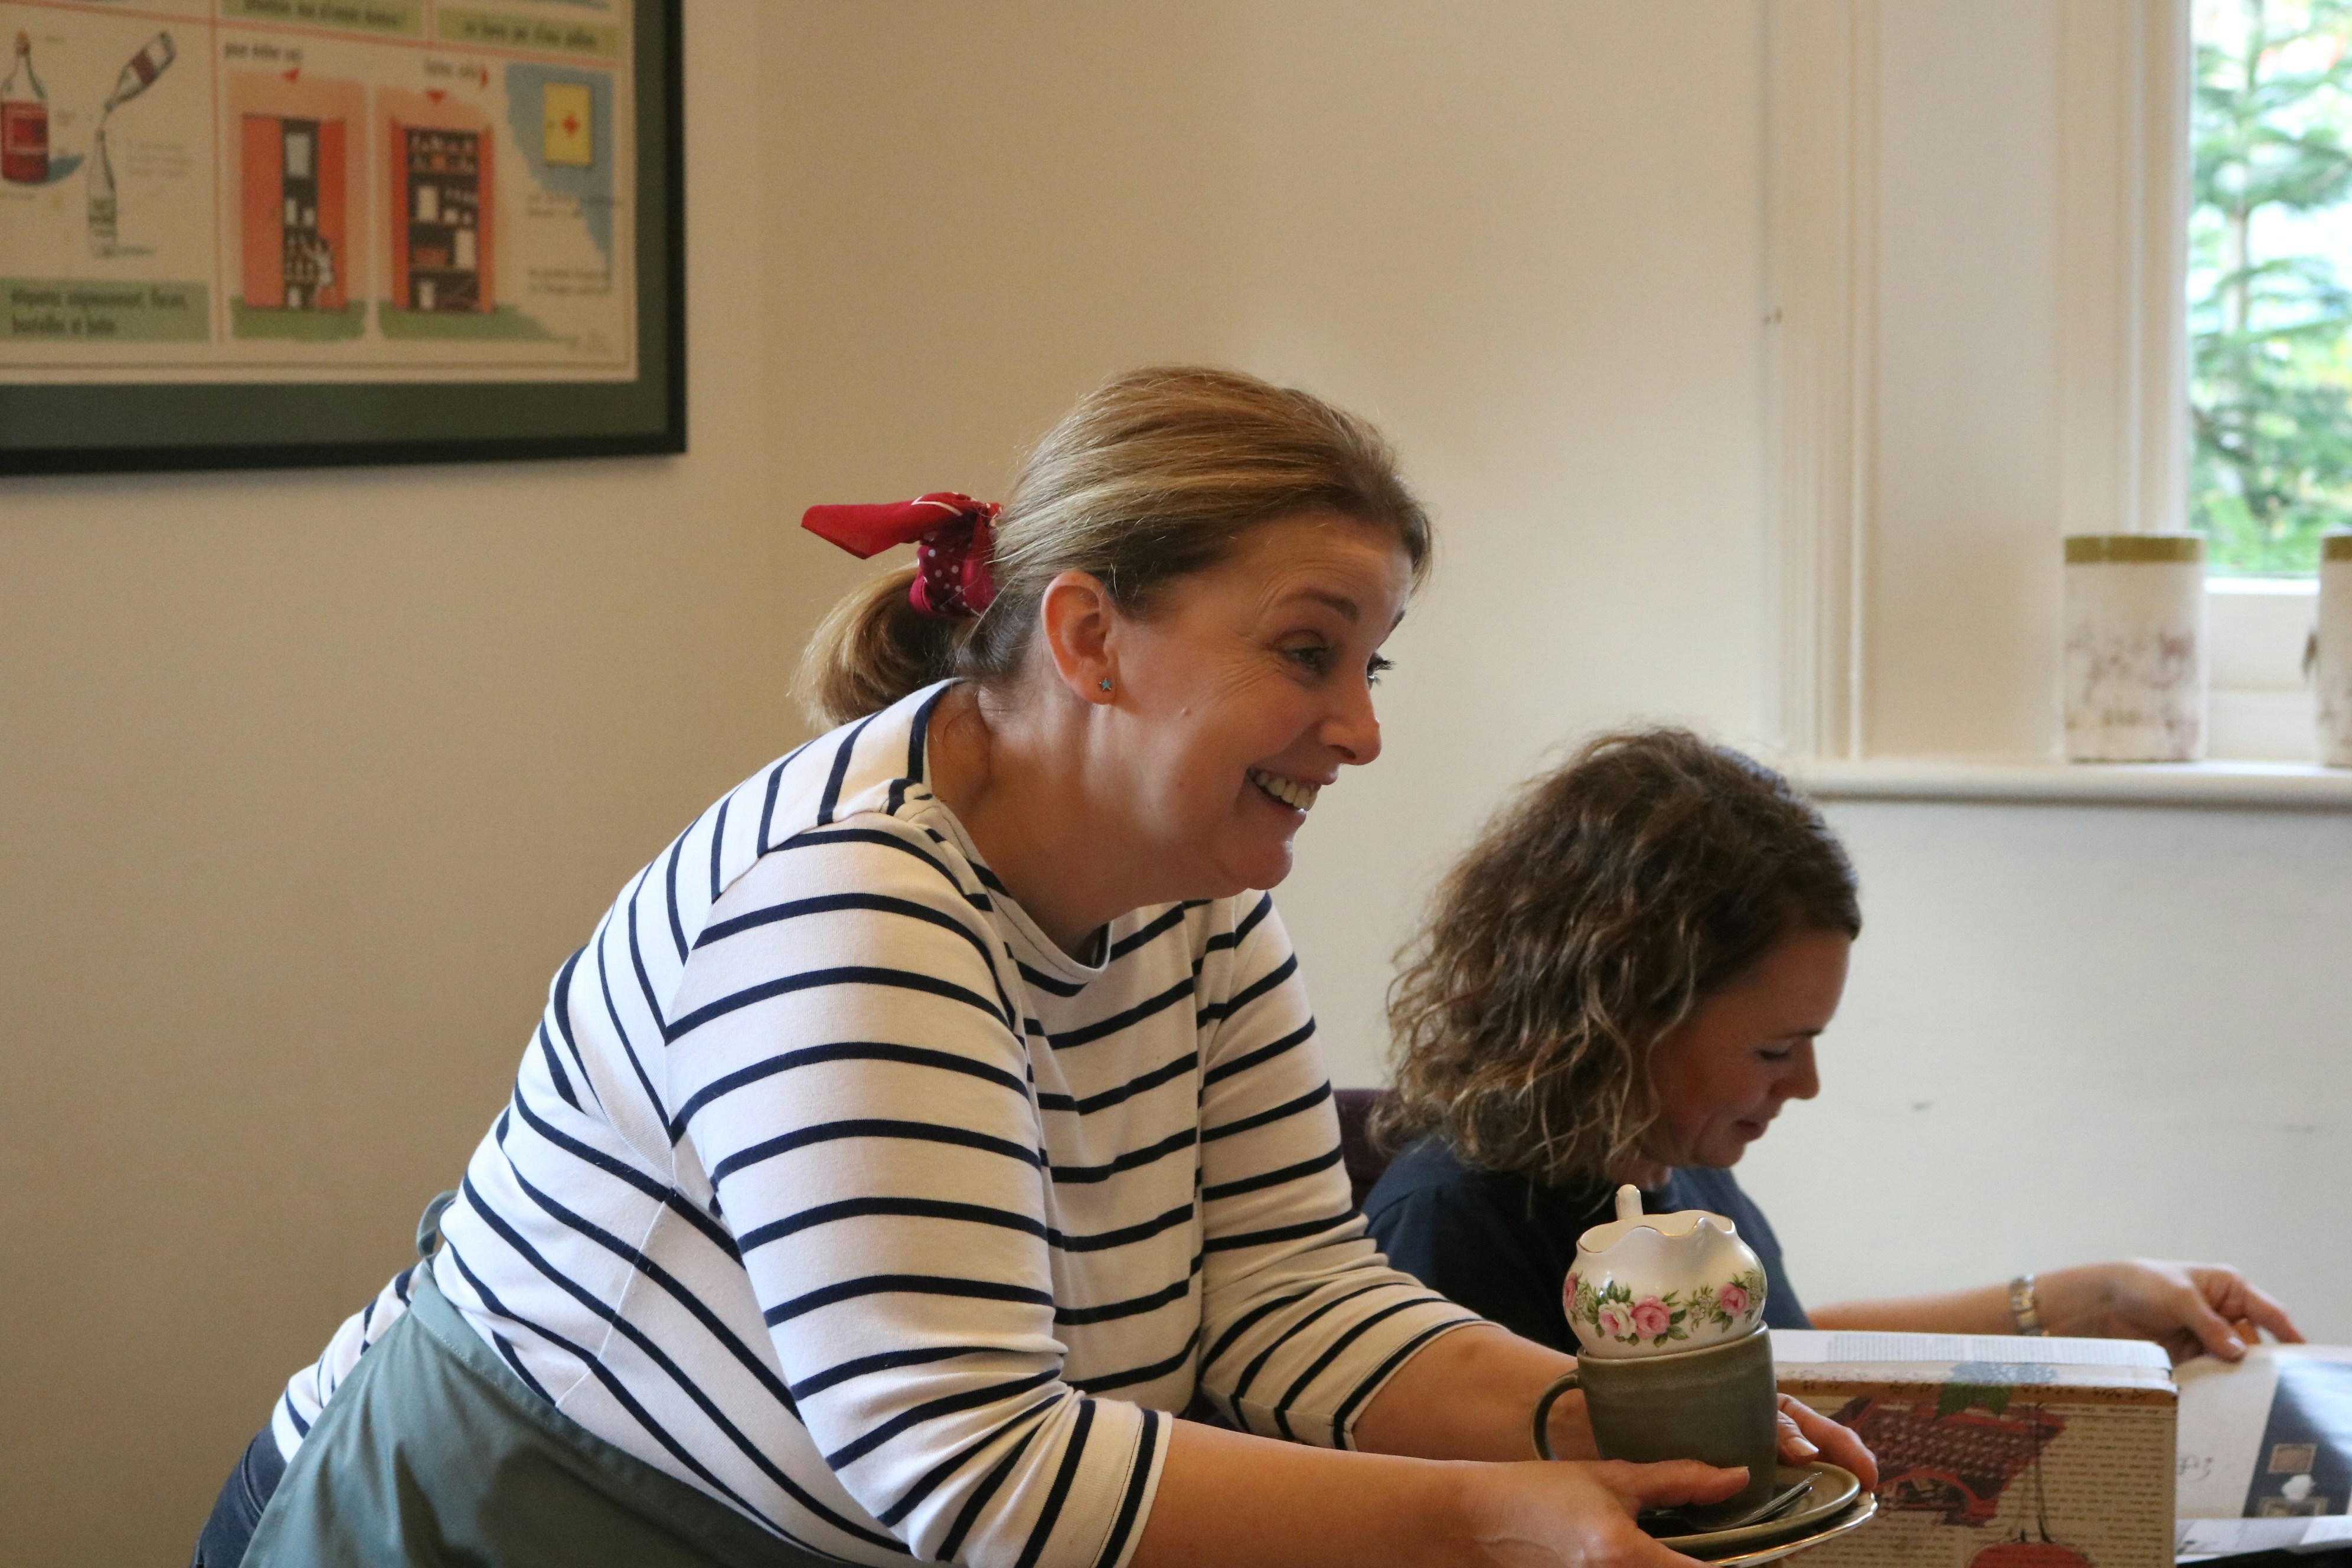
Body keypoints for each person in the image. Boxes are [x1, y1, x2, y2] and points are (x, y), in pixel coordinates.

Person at [194, 369, 1872, 1568]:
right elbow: (983, 1475)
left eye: (1372, 664)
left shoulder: (1192, 894)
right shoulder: (845, 913)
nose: (1361, 728)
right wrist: (1498, 1518)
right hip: (490, 1523)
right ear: (1086, 640)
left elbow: (1283, 1293)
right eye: (1308, 653)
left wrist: (1585, 1421)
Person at [1364, 729, 2304, 1367]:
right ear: (1624, 1015)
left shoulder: (1663, 1157)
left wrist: (2085, 1305)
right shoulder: (1457, 1229)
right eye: (1777, 1051)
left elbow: (1784, 1349)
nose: (1805, 1086)